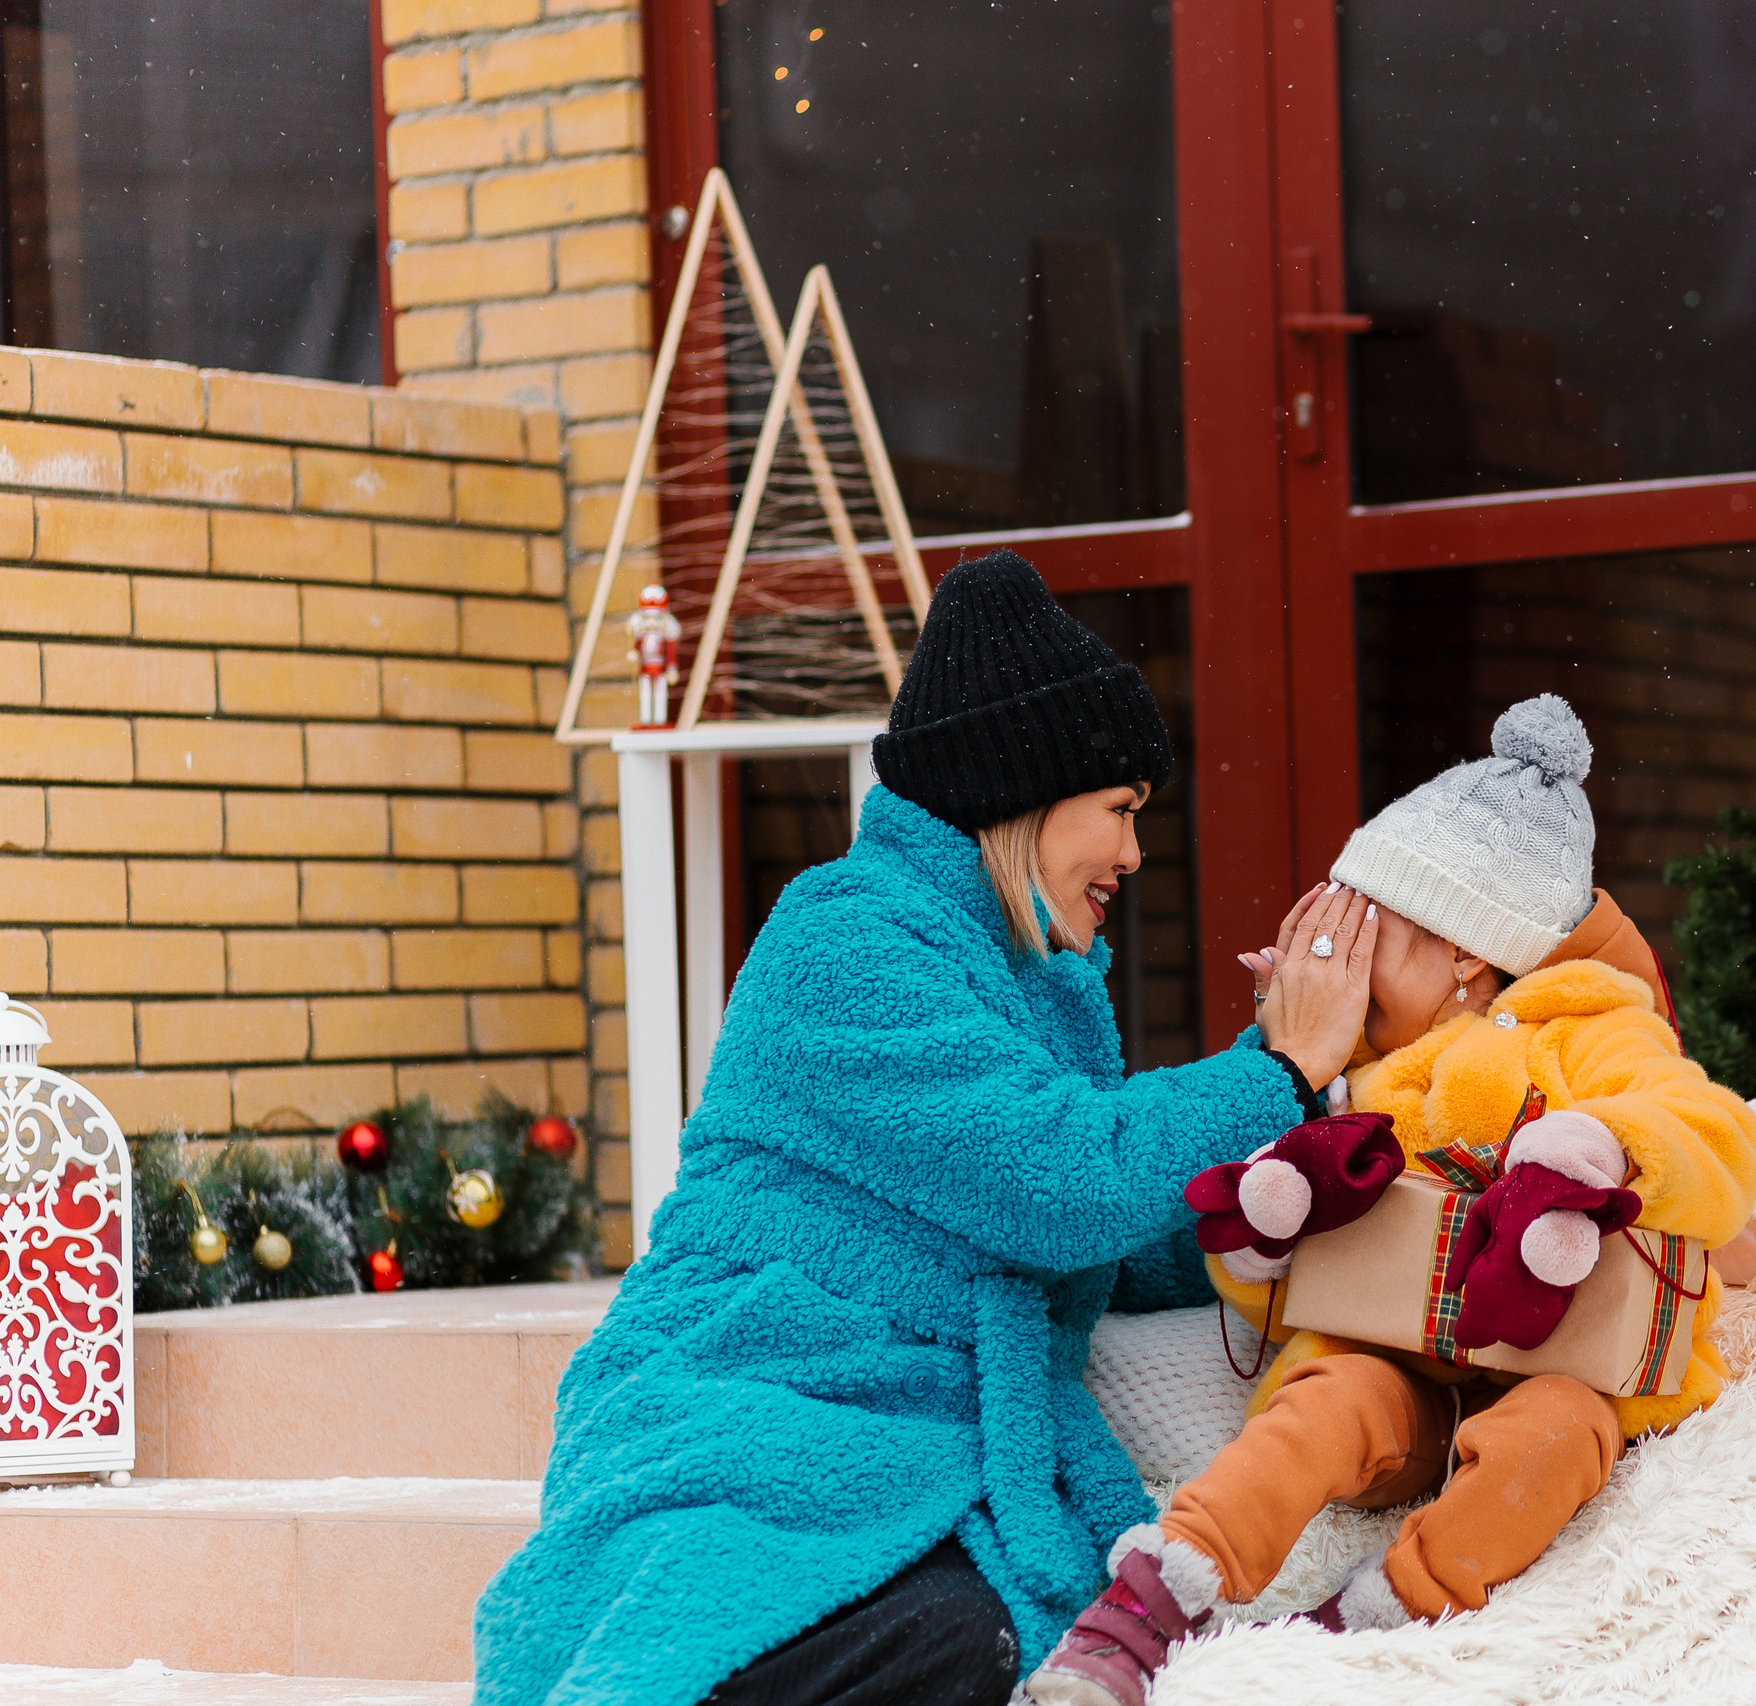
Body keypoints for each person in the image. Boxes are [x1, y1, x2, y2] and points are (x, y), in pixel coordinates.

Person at [471, 551, 1378, 1706]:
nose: (1135, 856)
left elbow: (1079, 1233)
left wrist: (1277, 1199)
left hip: (895, 1425)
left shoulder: (1027, 979)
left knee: (974, 1636)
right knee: (924, 1636)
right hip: (756, 1395)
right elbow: (1060, 1177)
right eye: (1120, 811)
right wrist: (1279, 1069)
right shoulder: (843, 941)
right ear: (1030, 794)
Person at [1028, 695, 1756, 1706]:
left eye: (1373, 930)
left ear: (1466, 949)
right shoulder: (1356, 1080)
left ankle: (1391, 1607)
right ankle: (1152, 1601)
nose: (1340, 957)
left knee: (1548, 1437)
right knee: (1320, 1402)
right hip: (1401, 1373)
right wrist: (1263, 1253)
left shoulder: (1590, 1029)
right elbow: (1294, 1299)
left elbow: (1715, 1135)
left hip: (1564, 1366)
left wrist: (1605, 1144)